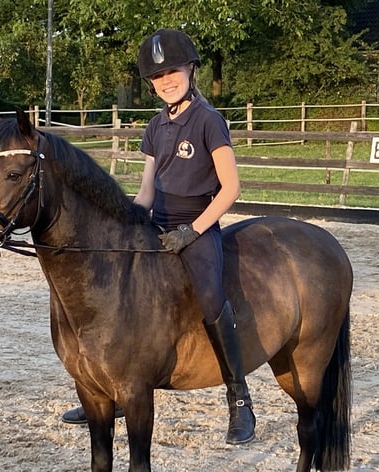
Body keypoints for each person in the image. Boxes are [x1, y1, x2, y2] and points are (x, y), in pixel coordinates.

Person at [61, 29, 256, 445]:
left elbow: (231, 189)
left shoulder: (209, 121)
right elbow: (147, 190)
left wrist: (194, 230)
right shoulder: (154, 127)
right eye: (158, 76)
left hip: (199, 223)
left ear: (190, 70)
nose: (166, 80)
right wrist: (124, 223)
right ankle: (111, 391)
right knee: (114, 291)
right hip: (159, 223)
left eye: (173, 71)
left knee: (208, 294)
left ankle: (239, 396)